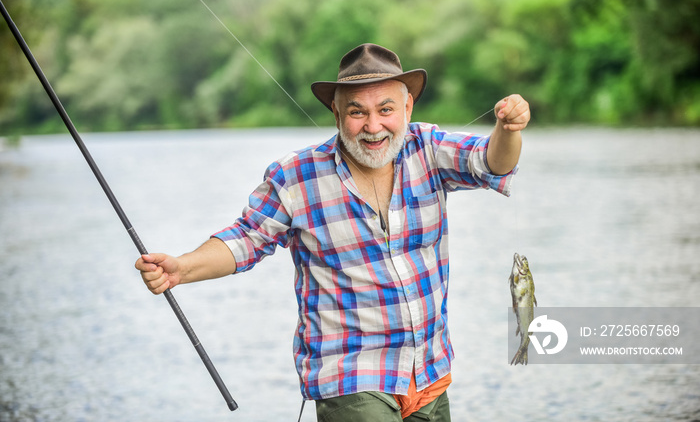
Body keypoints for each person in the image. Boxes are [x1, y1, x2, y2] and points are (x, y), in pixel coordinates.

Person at [135, 43, 530, 421]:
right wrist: (181, 268)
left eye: (386, 109)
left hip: (429, 370)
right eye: (357, 113)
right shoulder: (295, 176)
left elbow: (491, 163)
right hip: (350, 376)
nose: (373, 126)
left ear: (407, 107)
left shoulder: (427, 147)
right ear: (337, 115)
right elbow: (246, 239)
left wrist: (508, 130)